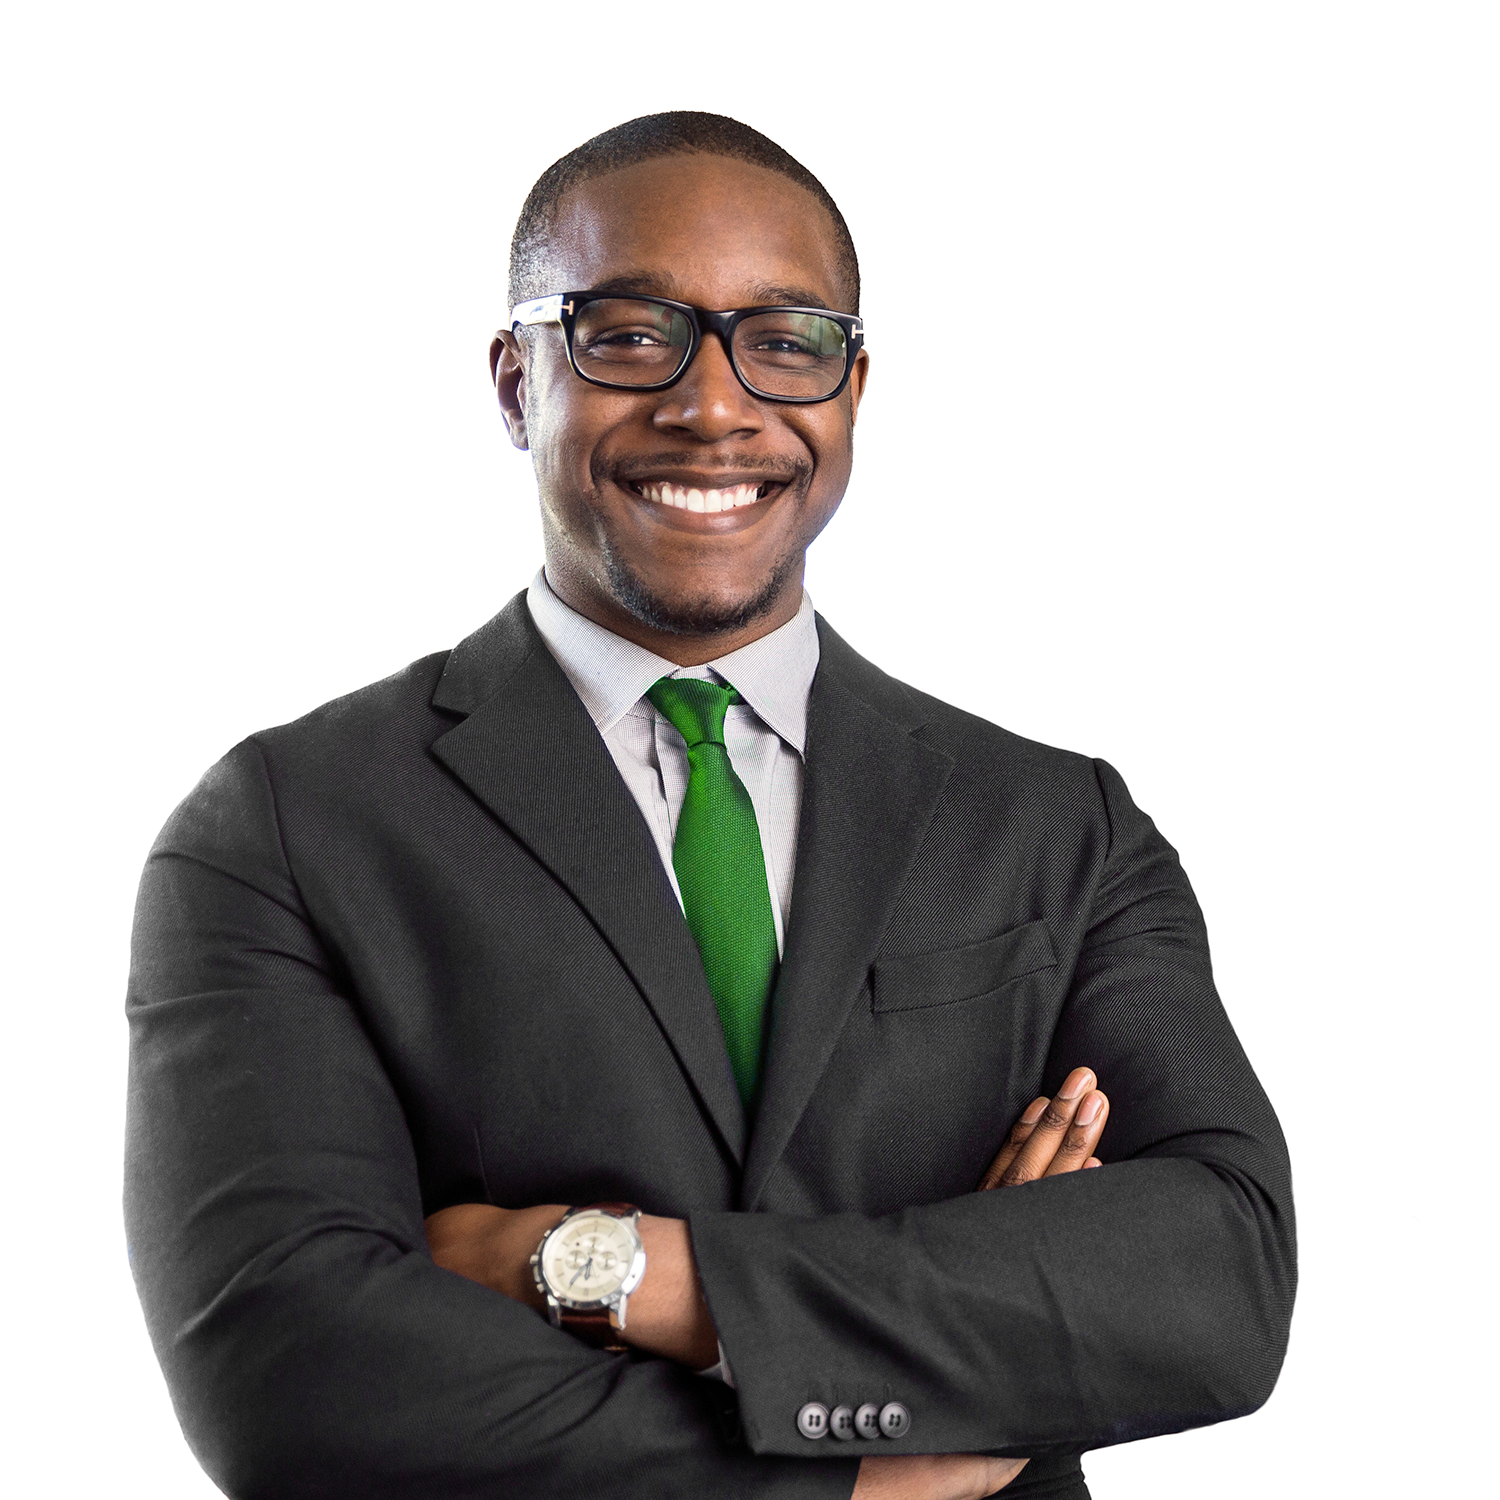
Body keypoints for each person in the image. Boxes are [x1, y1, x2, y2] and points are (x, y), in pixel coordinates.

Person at [125, 112, 1295, 1500]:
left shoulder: (1055, 825)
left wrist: (615, 1269)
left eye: (786, 341)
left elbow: (1215, 1282)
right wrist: (872, 1467)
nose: (715, 406)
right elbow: (290, 1369)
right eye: (630, 335)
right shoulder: (284, 828)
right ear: (516, 383)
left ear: (853, 389)